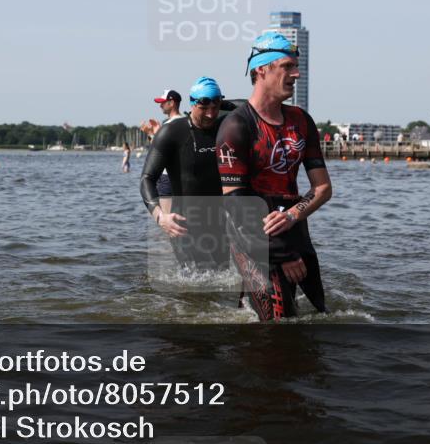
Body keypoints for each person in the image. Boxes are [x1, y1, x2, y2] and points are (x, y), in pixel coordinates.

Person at [216, 33, 333, 321]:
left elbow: (323, 188)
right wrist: (282, 253)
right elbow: (235, 202)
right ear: (261, 70)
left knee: (320, 312)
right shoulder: (236, 125)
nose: (296, 73)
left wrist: (293, 216)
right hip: (252, 233)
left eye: (296, 66)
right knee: (279, 321)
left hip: (293, 226)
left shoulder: (301, 121)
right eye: (288, 66)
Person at [141, 77, 228, 270]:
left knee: (222, 277)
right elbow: (147, 178)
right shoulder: (171, 132)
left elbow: (249, 105)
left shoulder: (224, 123)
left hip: (219, 221)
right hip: (183, 223)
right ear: (192, 103)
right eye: (204, 107)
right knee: (195, 281)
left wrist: (222, 102)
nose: (211, 114)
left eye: (216, 106)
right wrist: (160, 217)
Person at [151, 89, 184, 212]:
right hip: (180, 176)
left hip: (167, 176)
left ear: (172, 102)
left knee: (166, 218)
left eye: (163, 102)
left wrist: (153, 135)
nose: (160, 105)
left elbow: (160, 152)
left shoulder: (169, 125)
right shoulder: (186, 122)